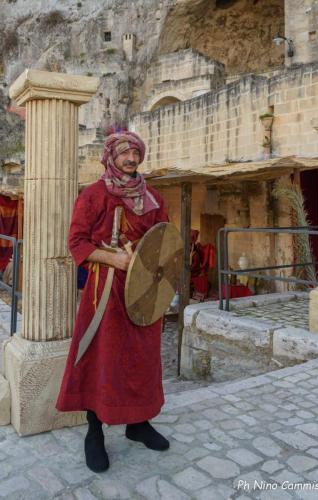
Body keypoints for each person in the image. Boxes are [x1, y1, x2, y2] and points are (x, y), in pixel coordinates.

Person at [56, 130, 169, 473]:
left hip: (144, 292)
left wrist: (155, 271)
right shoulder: (93, 195)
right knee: (102, 358)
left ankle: (138, 424)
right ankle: (94, 432)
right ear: (110, 157)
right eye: (124, 153)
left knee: (142, 359)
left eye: (135, 153)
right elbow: (76, 241)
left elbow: (165, 242)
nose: (131, 159)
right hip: (104, 291)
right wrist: (112, 259)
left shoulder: (153, 198)